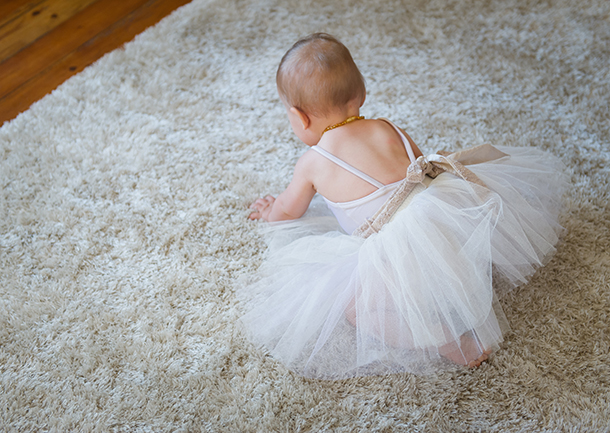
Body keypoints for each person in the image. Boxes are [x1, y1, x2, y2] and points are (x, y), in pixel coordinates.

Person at [240, 33, 569, 380]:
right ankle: (463, 275)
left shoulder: (313, 162)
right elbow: (417, 171)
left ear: (299, 118)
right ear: (361, 94)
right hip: (448, 227)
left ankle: (445, 339)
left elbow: (289, 212)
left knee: (356, 309)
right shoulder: (387, 128)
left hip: (397, 264)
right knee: (436, 216)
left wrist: (269, 211)